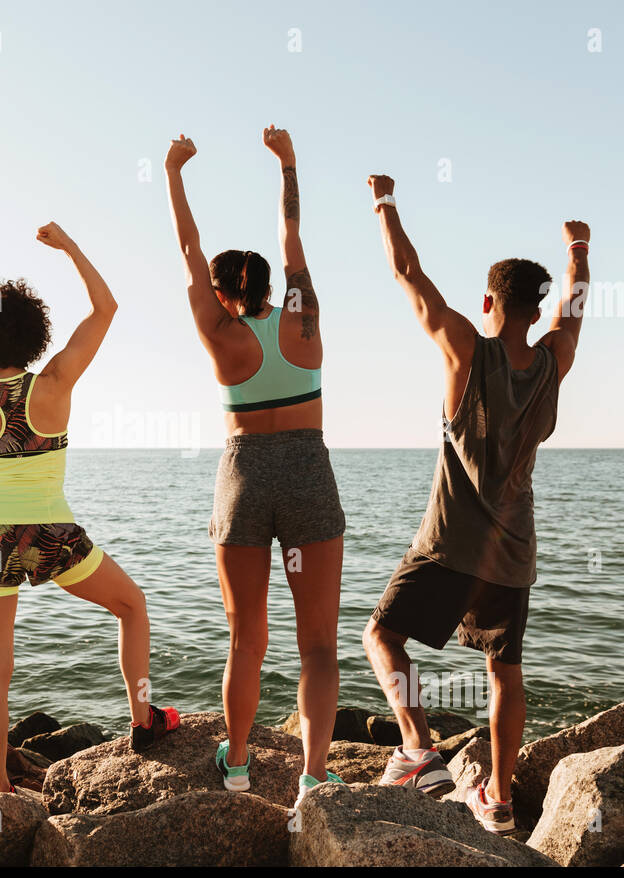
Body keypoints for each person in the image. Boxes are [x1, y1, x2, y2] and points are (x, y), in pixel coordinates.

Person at [0, 222, 179, 795]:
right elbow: (105, 309)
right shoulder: (53, 382)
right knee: (131, 606)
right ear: (33, 333)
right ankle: (143, 718)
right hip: (50, 531)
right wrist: (70, 247)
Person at [361, 172, 590, 832]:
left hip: (451, 543)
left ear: (489, 300)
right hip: (515, 552)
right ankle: (500, 798)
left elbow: (408, 273)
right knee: (504, 672)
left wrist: (384, 202)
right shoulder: (553, 363)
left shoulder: (466, 352)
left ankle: (418, 749)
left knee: (382, 635)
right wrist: (578, 251)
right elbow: (572, 311)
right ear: (534, 306)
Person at [166, 126, 346, 804]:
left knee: (247, 639)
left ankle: (237, 767)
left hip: (243, 475)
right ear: (278, 286)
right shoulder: (303, 321)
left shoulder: (220, 334)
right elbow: (293, 235)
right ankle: (313, 775)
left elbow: (188, 248)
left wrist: (174, 171)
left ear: (220, 292)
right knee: (319, 646)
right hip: (306, 470)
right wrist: (289, 163)